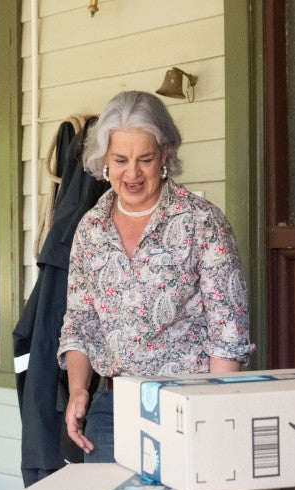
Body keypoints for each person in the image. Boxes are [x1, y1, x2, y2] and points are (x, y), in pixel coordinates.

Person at [59, 90, 255, 462]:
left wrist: (214, 416)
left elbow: (227, 333)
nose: (131, 173)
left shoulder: (202, 222)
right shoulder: (91, 229)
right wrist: (77, 390)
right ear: (105, 160)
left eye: (144, 159)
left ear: (164, 154)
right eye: (120, 159)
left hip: (187, 404)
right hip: (112, 408)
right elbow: (79, 322)